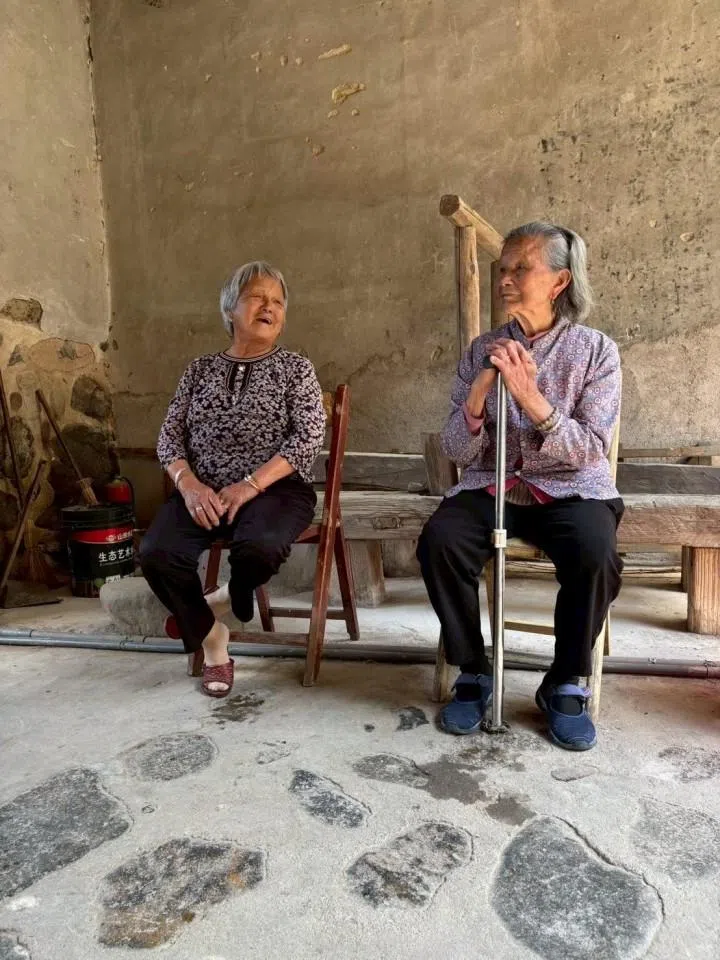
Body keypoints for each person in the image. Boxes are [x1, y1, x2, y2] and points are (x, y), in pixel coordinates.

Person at [417, 222, 622, 751]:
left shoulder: (597, 351)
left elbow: (591, 450)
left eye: (520, 268)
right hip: (493, 485)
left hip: (572, 490)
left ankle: (565, 683)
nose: (505, 279)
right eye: (502, 269)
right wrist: (478, 399)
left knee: (595, 552)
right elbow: (459, 451)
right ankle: (473, 670)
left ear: (558, 282)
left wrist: (533, 400)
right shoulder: (482, 350)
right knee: (440, 540)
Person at [140, 262, 325, 697]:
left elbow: (309, 435)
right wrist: (188, 484)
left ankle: (228, 596)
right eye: (258, 297)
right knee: (156, 553)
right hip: (202, 490)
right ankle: (214, 641)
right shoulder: (199, 370)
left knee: (259, 547)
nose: (270, 307)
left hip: (275, 489)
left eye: (278, 302)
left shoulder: (296, 368)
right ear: (229, 309)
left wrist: (250, 485)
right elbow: (169, 436)